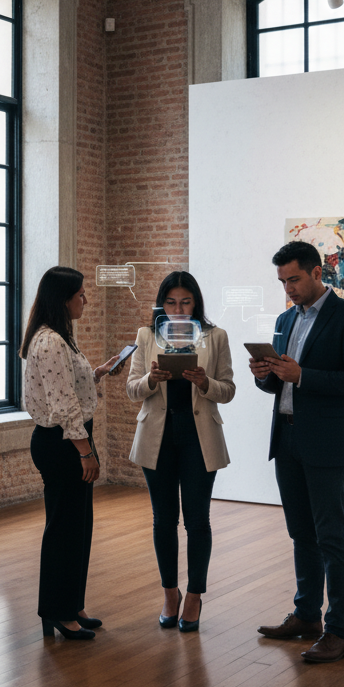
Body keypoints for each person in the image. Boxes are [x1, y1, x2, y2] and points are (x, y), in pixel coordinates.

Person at [249, 241, 344, 663]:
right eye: (283, 281)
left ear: (318, 273)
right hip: (286, 438)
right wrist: (264, 375)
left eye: (294, 279)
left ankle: (339, 631)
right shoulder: (285, 319)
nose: (288, 289)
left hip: (328, 443)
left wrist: (303, 375)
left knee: (331, 537)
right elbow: (278, 385)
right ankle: (307, 616)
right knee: (301, 533)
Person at [126, 271, 235, 633]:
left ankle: (194, 596)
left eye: (185, 302)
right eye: (171, 302)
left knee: (197, 521)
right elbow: (131, 389)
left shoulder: (215, 336)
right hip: (157, 438)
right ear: (162, 304)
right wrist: (151, 380)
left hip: (199, 439)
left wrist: (205, 382)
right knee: (163, 520)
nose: (178, 309)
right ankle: (170, 593)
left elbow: (228, 389)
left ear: (196, 302)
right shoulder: (146, 335)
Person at [21, 266, 124, 641]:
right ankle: (58, 611)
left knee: (79, 528)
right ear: (63, 299)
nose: (86, 299)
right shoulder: (49, 342)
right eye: (81, 294)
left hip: (70, 438)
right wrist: (86, 452)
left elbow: (69, 388)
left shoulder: (61, 338)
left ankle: (73, 604)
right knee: (64, 529)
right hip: (62, 442)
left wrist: (97, 373)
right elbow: (63, 406)